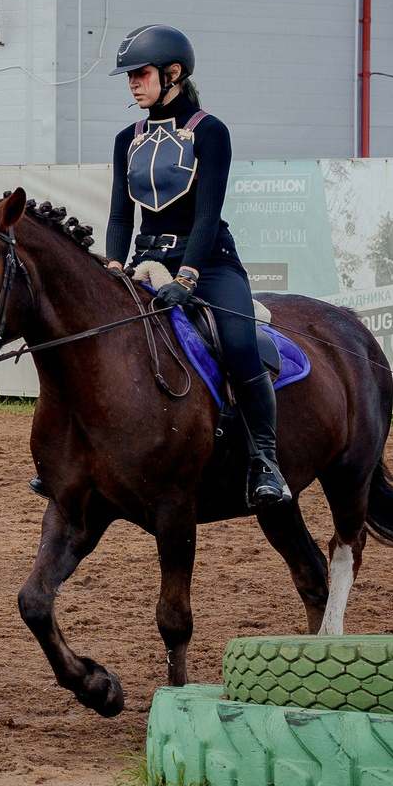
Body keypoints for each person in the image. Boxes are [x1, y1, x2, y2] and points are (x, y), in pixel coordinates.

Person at [104, 25, 290, 507]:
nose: (133, 83)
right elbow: (120, 216)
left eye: (141, 74)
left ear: (173, 73)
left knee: (239, 344)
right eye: (130, 76)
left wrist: (187, 277)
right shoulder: (127, 138)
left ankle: (265, 461)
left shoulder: (209, 131)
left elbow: (208, 215)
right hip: (147, 261)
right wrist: (113, 266)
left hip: (209, 263)